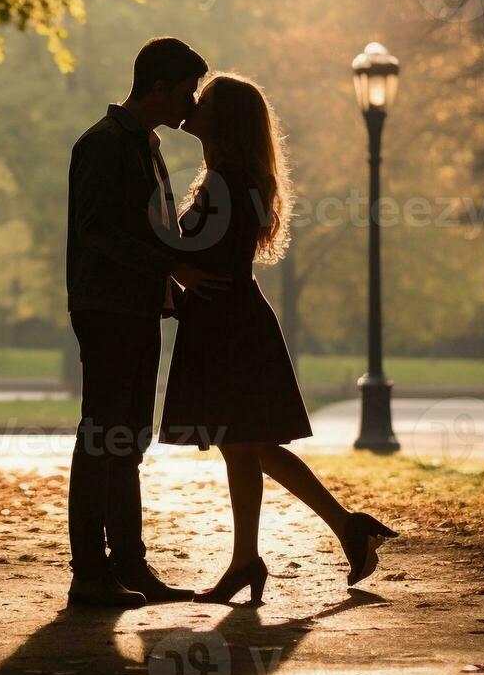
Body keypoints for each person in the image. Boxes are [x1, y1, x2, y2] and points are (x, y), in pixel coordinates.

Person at [160, 73, 396, 604]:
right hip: (229, 319)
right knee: (246, 444)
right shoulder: (231, 177)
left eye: (207, 100)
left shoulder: (228, 181)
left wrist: (168, 261)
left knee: (245, 443)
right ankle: (292, 544)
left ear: (225, 120)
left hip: (228, 324)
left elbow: (202, 255)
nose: (194, 102)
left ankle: (280, 549)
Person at [64, 36, 230, 608]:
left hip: (132, 308)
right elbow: (98, 232)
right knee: (102, 436)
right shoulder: (106, 145)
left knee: (124, 438)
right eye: (186, 91)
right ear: (158, 88)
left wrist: (170, 284)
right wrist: (174, 267)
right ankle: (90, 571)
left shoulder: (143, 144)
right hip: (107, 309)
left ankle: (127, 566)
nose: (191, 103)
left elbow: (143, 230)